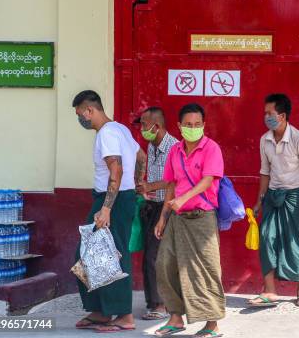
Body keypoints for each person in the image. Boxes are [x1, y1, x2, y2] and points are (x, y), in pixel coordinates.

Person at [72, 90, 147, 332]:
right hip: (119, 198)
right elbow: (141, 157)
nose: (80, 119)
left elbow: (116, 171)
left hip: (110, 200)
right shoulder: (121, 129)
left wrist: (106, 209)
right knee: (92, 255)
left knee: (110, 256)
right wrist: (135, 185)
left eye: (79, 114)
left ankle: (124, 315)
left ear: (89, 110)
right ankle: (101, 311)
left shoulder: (106, 134)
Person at [154, 103, 226, 337]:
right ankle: (175, 317)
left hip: (202, 218)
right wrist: (163, 218)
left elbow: (208, 180)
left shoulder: (211, 148)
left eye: (197, 125)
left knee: (205, 269)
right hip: (177, 218)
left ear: (203, 125)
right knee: (165, 265)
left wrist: (184, 198)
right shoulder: (175, 151)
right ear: (179, 126)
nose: (192, 128)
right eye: (188, 125)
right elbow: (171, 186)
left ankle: (212, 324)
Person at [249, 93, 299, 308]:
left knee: (297, 241)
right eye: (265, 113)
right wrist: (260, 201)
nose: (266, 117)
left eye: (270, 113)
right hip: (273, 195)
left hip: (297, 195)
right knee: (267, 237)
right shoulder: (264, 140)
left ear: (282, 115)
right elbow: (265, 172)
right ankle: (270, 290)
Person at [134, 107, 179, 321]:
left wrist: (150, 186)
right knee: (151, 256)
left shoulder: (174, 147)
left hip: (167, 207)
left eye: (144, 124)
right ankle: (156, 302)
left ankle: (160, 305)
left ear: (157, 126)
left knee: (155, 257)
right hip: (151, 206)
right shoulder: (152, 146)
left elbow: (175, 180)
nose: (142, 129)